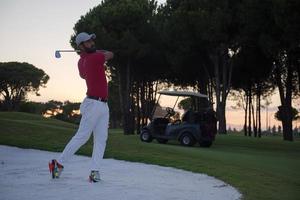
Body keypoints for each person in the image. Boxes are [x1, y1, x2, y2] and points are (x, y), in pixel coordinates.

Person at [48, 32, 113, 182]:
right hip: (93, 104)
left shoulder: (82, 61)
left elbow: (83, 75)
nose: (92, 43)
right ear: (81, 46)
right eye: (88, 42)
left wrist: (90, 53)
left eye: (92, 41)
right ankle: (58, 164)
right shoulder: (95, 57)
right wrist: (99, 52)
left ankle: (94, 172)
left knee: (101, 139)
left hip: (102, 105)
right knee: (82, 136)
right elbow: (111, 54)